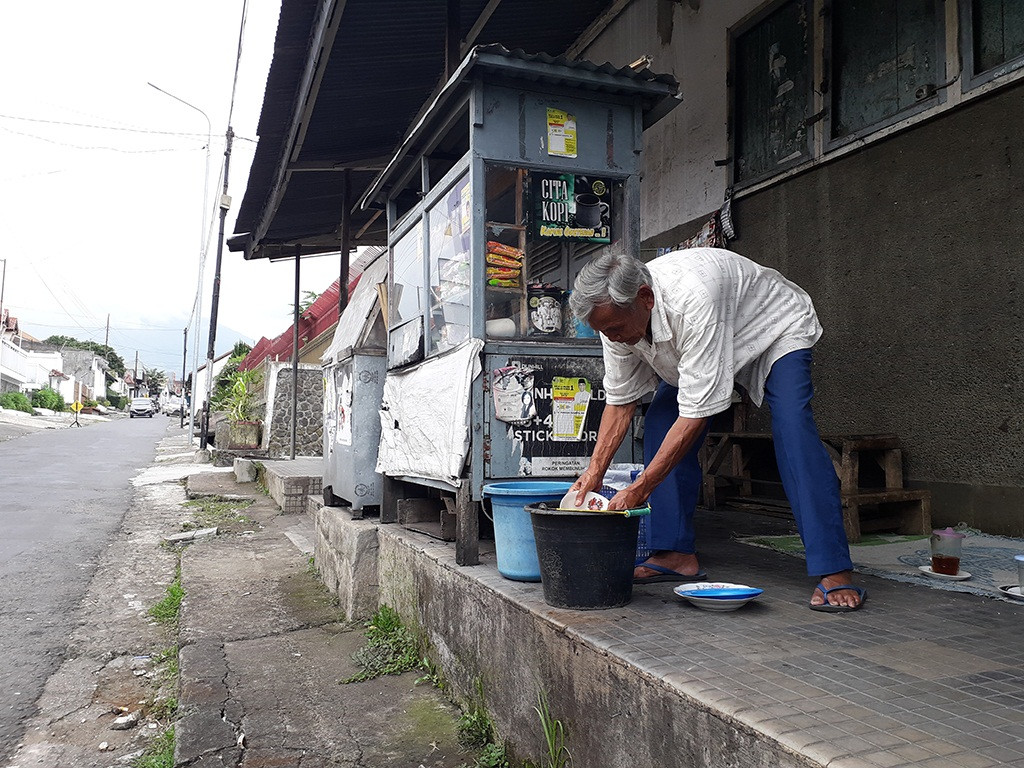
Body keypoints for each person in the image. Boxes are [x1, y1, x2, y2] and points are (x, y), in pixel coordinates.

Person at [567, 248, 865, 612]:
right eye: (604, 331)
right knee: (661, 420)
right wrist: (594, 472)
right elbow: (620, 401)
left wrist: (641, 487)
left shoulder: (692, 299)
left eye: (614, 329)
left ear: (645, 298)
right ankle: (675, 553)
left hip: (772, 328)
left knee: (792, 426)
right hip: (698, 345)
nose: (611, 338)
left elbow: (695, 414)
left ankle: (834, 569)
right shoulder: (613, 317)